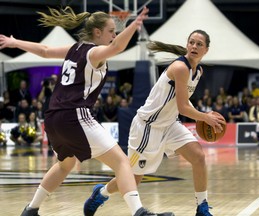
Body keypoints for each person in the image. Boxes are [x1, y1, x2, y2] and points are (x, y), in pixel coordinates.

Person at [0, 6, 174, 216]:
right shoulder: (93, 52)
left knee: (65, 165)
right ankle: (139, 212)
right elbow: (118, 47)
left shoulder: (75, 48)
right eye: (111, 31)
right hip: (75, 115)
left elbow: (45, 51)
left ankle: (31, 209)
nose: (115, 35)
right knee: (121, 162)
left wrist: (14, 43)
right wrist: (134, 26)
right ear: (97, 32)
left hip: (54, 118)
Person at [86, 30, 225, 216]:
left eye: (199, 44)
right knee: (133, 180)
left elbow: (183, 99)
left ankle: (202, 207)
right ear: (187, 44)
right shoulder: (180, 67)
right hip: (147, 127)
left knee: (198, 157)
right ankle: (101, 193)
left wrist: (203, 115)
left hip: (169, 124)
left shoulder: (198, 71)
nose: (194, 46)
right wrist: (205, 117)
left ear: (206, 50)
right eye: (191, 42)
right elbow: (183, 107)